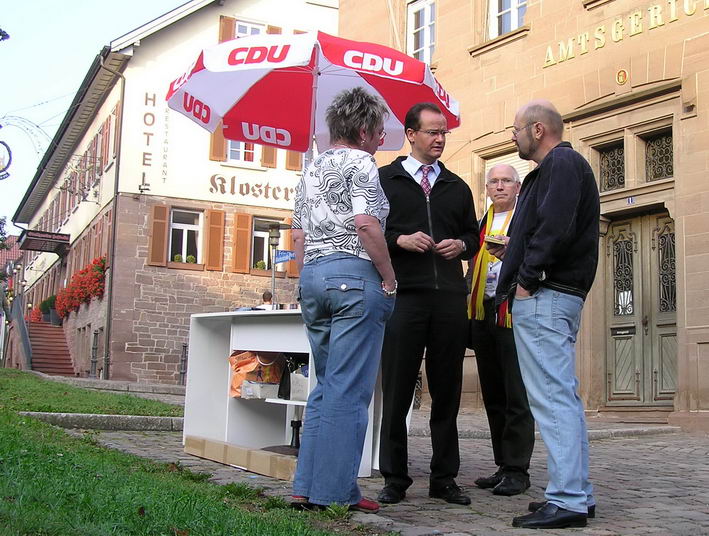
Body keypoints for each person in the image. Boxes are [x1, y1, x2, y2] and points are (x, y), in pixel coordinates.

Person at [489, 100, 600, 529]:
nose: (511, 137)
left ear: (537, 129)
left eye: (515, 130)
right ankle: (576, 493)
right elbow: (546, 226)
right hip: (552, 292)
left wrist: (527, 278)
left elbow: (555, 226)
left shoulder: (562, 163)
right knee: (559, 397)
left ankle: (569, 498)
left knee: (553, 398)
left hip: (547, 294)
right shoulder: (554, 170)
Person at [290, 87, 397, 514]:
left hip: (313, 278)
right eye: (379, 132)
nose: (380, 141)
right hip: (353, 277)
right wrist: (389, 278)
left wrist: (306, 277)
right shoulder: (361, 163)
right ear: (365, 128)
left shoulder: (310, 170)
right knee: (350, 390)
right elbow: (367, 225)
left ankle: (307, 486)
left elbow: (297, 235)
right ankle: (335, 491)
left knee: (326, 385)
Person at [377, 102, 478, 506]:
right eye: (432, 132)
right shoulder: (386, 180)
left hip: (449, 300)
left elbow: (474, 235)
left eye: (444, 133)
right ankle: (394, 478)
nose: (439, 139)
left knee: (447, 391)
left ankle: (444, 478)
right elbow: (366, 232)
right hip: (403, 297)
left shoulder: (457, 186)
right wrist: (398, 240)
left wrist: (463, 245)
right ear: (411, 134)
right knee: (398, 390)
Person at [466, 163, 535, 496]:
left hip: (514, 312)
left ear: (518, 186)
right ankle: (502, 465)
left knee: (516, 395)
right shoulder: (483, 220)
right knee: (493, 394)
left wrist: (514, 249)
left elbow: (539, 257)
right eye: (493, 181)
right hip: (484, 310)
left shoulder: (527, 218)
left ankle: (518, 470)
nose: (499, 186)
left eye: (506, 180)